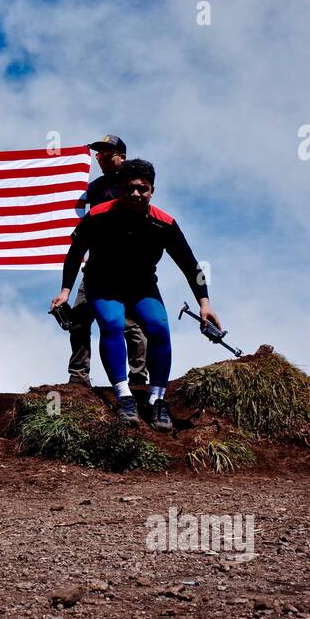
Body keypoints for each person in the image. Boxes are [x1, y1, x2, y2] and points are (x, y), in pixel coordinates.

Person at [50, 158, 222, 433]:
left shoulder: (164, 223)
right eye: (129, 188)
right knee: (112, 325)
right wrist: (65, 291)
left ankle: (157, 399)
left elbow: (191, 266)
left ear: (152, 190)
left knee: (159, 328)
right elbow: (74, 254)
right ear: (119, 189)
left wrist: (205, 304)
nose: (136, 194)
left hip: (141, 287)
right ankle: (124, 395)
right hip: (103, 284)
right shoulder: (97, 216)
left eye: (143, 189)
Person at [67, 134, 148, 389]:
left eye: (106, 153)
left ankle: (137, 377)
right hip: (95, 264)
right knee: (80, 317)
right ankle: (79, 377)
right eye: (98, 153)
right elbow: (81, 215)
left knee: (128, 321)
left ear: (122, 157)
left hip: (127, 265)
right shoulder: (95, 187)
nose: (100, 157)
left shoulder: (133, 184)